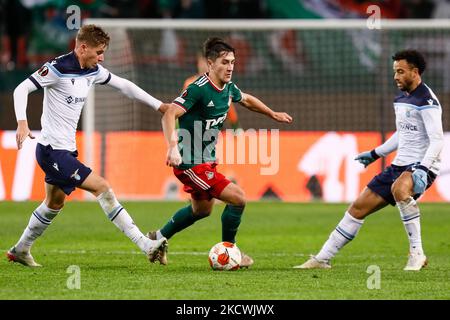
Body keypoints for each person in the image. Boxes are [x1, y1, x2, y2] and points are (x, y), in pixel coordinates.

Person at [6, 24, 169, 267]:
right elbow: (22, 89)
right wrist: (22, 122)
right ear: (83, 48)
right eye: (98, 52)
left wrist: (159, 106)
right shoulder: (57, 69)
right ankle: (146, 244)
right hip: (52, 151)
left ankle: (21, 249)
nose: (101, 57)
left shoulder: (93, 71)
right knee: (102, 187)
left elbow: (124, 85)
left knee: (54, 203)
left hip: (67, 150)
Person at [147, 37, 292, 267]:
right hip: (190, 162)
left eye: (233, 62)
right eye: (225, 62)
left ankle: (157, 238)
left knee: (202, 210)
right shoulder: (198, 89)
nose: (230, 67)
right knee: (238, 198)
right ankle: (231, 252)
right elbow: (168, 114)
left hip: (206, 161)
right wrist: (172, 147)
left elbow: (246, 100)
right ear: (210, 64)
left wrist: (272, 114)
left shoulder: (229, 88)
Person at [295, 49, 444, 271]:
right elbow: (402, 134)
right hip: (399, 165)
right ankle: (322, 259)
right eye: (395, 71)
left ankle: (417, 254)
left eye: (401, 72)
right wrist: (376, 153)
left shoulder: (427, 100)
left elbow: (437, 140)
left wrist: (423, 168)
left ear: (415, 72)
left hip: (421, 166)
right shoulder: (402, 99)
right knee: (357, 208)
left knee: (400, 189)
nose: (396, 77)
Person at [183, 51, 241, 131]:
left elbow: (229, 108)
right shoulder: (189, 83)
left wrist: (236, 128)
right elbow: (180, 108)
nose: (203, 65)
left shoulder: (219, 83)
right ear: (198, 63)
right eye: (201, 62)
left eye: (206, 62)